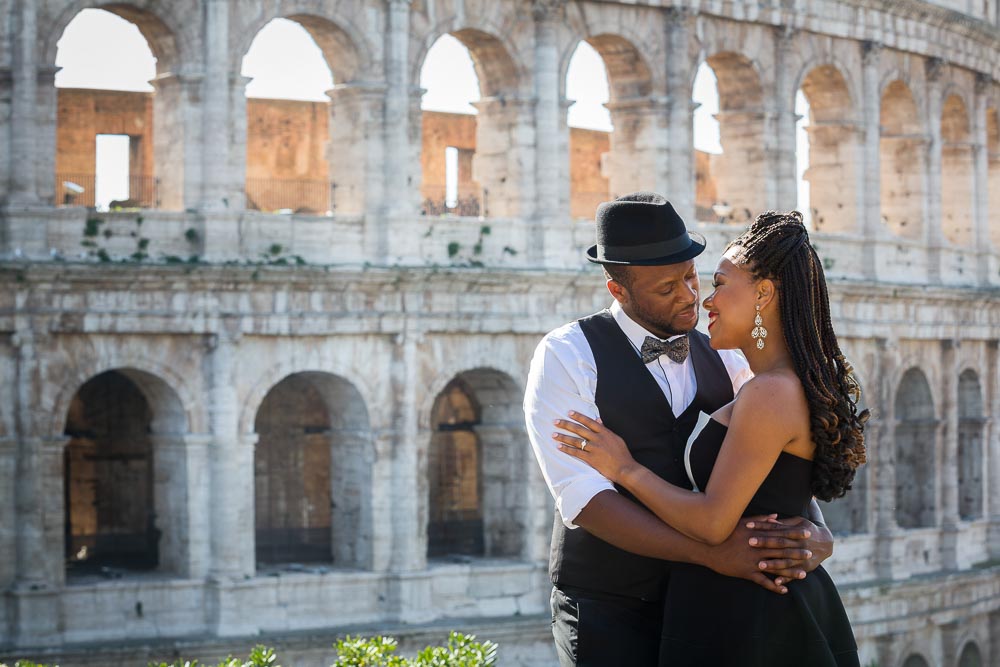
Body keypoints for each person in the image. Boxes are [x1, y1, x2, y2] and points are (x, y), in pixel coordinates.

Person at [524, 193, 836, 667]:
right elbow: (586, 501)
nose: (690, 296)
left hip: (706, 602)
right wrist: (711, 554)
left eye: (692, 276)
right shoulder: (567, 355)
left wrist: (818, 532)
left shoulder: (728, 351)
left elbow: (767, 459)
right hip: (608, 604)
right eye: (667, 288)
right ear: (618, 290)